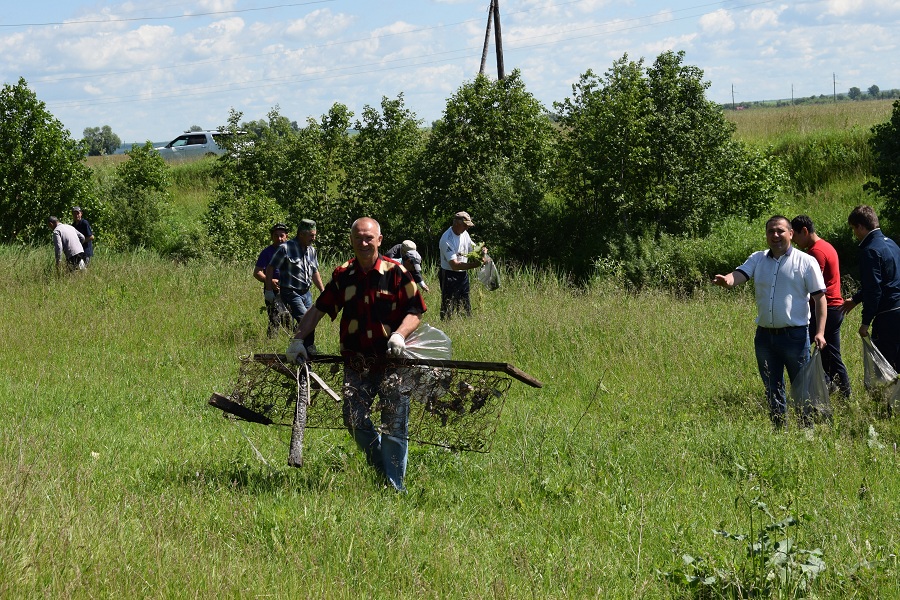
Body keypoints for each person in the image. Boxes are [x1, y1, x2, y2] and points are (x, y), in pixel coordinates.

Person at [287, 217, 426, 491]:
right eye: (358, 238)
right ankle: (381, 469)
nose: (364, 243)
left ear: (379, 240)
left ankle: (394, 487)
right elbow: (318, 308)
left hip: (393, 362)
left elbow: (416, 310)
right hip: (357, 363)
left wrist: (399, 335)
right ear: (351, 240)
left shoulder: (397, 272)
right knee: (353, 419)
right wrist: (298, 339)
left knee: (395, 425)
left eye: (369, 238)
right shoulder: (343, 275)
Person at [714, 216, 827, 427]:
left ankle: (807, 430)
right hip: (765, 337)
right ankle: (779, 429)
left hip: (795, 336)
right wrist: (728, 281)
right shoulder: (757, 259)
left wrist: (819, 332)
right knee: (772, 386)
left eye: (780, 231)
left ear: (791, 234)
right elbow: (739, 274)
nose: (775, 235)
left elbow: (820, 298)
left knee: (801, 387)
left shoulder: (806, 261)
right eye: (770, 231)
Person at [790, 215, 852, 396]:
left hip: (827, 309)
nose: (795, 243)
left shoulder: (815, 252)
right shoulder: (826, 246)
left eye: (795, 238)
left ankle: (839, 390)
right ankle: (833, 388)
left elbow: (812, 285)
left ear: (805, 231)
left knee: (806, 349)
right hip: (833, 308)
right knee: (827, 353)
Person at [842, 205, 900, 371]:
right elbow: (887, 281)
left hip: (888, 316)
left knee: (885, 368)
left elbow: (874, 289)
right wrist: (855, 299)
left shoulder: (870, 250)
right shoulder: (892, 244)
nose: (854, 234)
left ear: (860, 226)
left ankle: (888, 398)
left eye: (854, 229)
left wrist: (866, 322)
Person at [266, 219, 325, 351]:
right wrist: (268, 290)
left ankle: (306, 346)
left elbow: (315, 271)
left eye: (314, 235)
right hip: (290, 291)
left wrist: (323, 290)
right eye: (311, 235)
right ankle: (302, 346)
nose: (313, 238)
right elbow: (270, 268)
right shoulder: (285, 248)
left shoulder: (312, 251)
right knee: (305, 318)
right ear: (301, 234)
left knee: (312, 319)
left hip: (306, 292)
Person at [438, 211, 486, 320]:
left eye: (468, 226)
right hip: (449, 275)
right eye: (465, 225)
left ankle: (466, 323)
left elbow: (472, 247)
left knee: (465, 302)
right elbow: (454, 265)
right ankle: (447, 325)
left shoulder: (464, 233)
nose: (466, 228)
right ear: (456, 223)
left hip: (462, 274)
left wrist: (482, 252)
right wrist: (475, 265)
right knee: (448, 304)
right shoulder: (446, 239)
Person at [254, 223, 291, 337]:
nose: (279, 238)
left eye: (282, 235)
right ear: (272, 237)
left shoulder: (293, 250)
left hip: (290, 290)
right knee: (274, 319)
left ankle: (291, 343)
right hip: (272, 290)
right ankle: (272, 345)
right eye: (276, 235)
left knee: (290, 319)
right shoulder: (267, 252)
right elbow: (257, 272)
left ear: (286, 236)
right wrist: (269, 281)